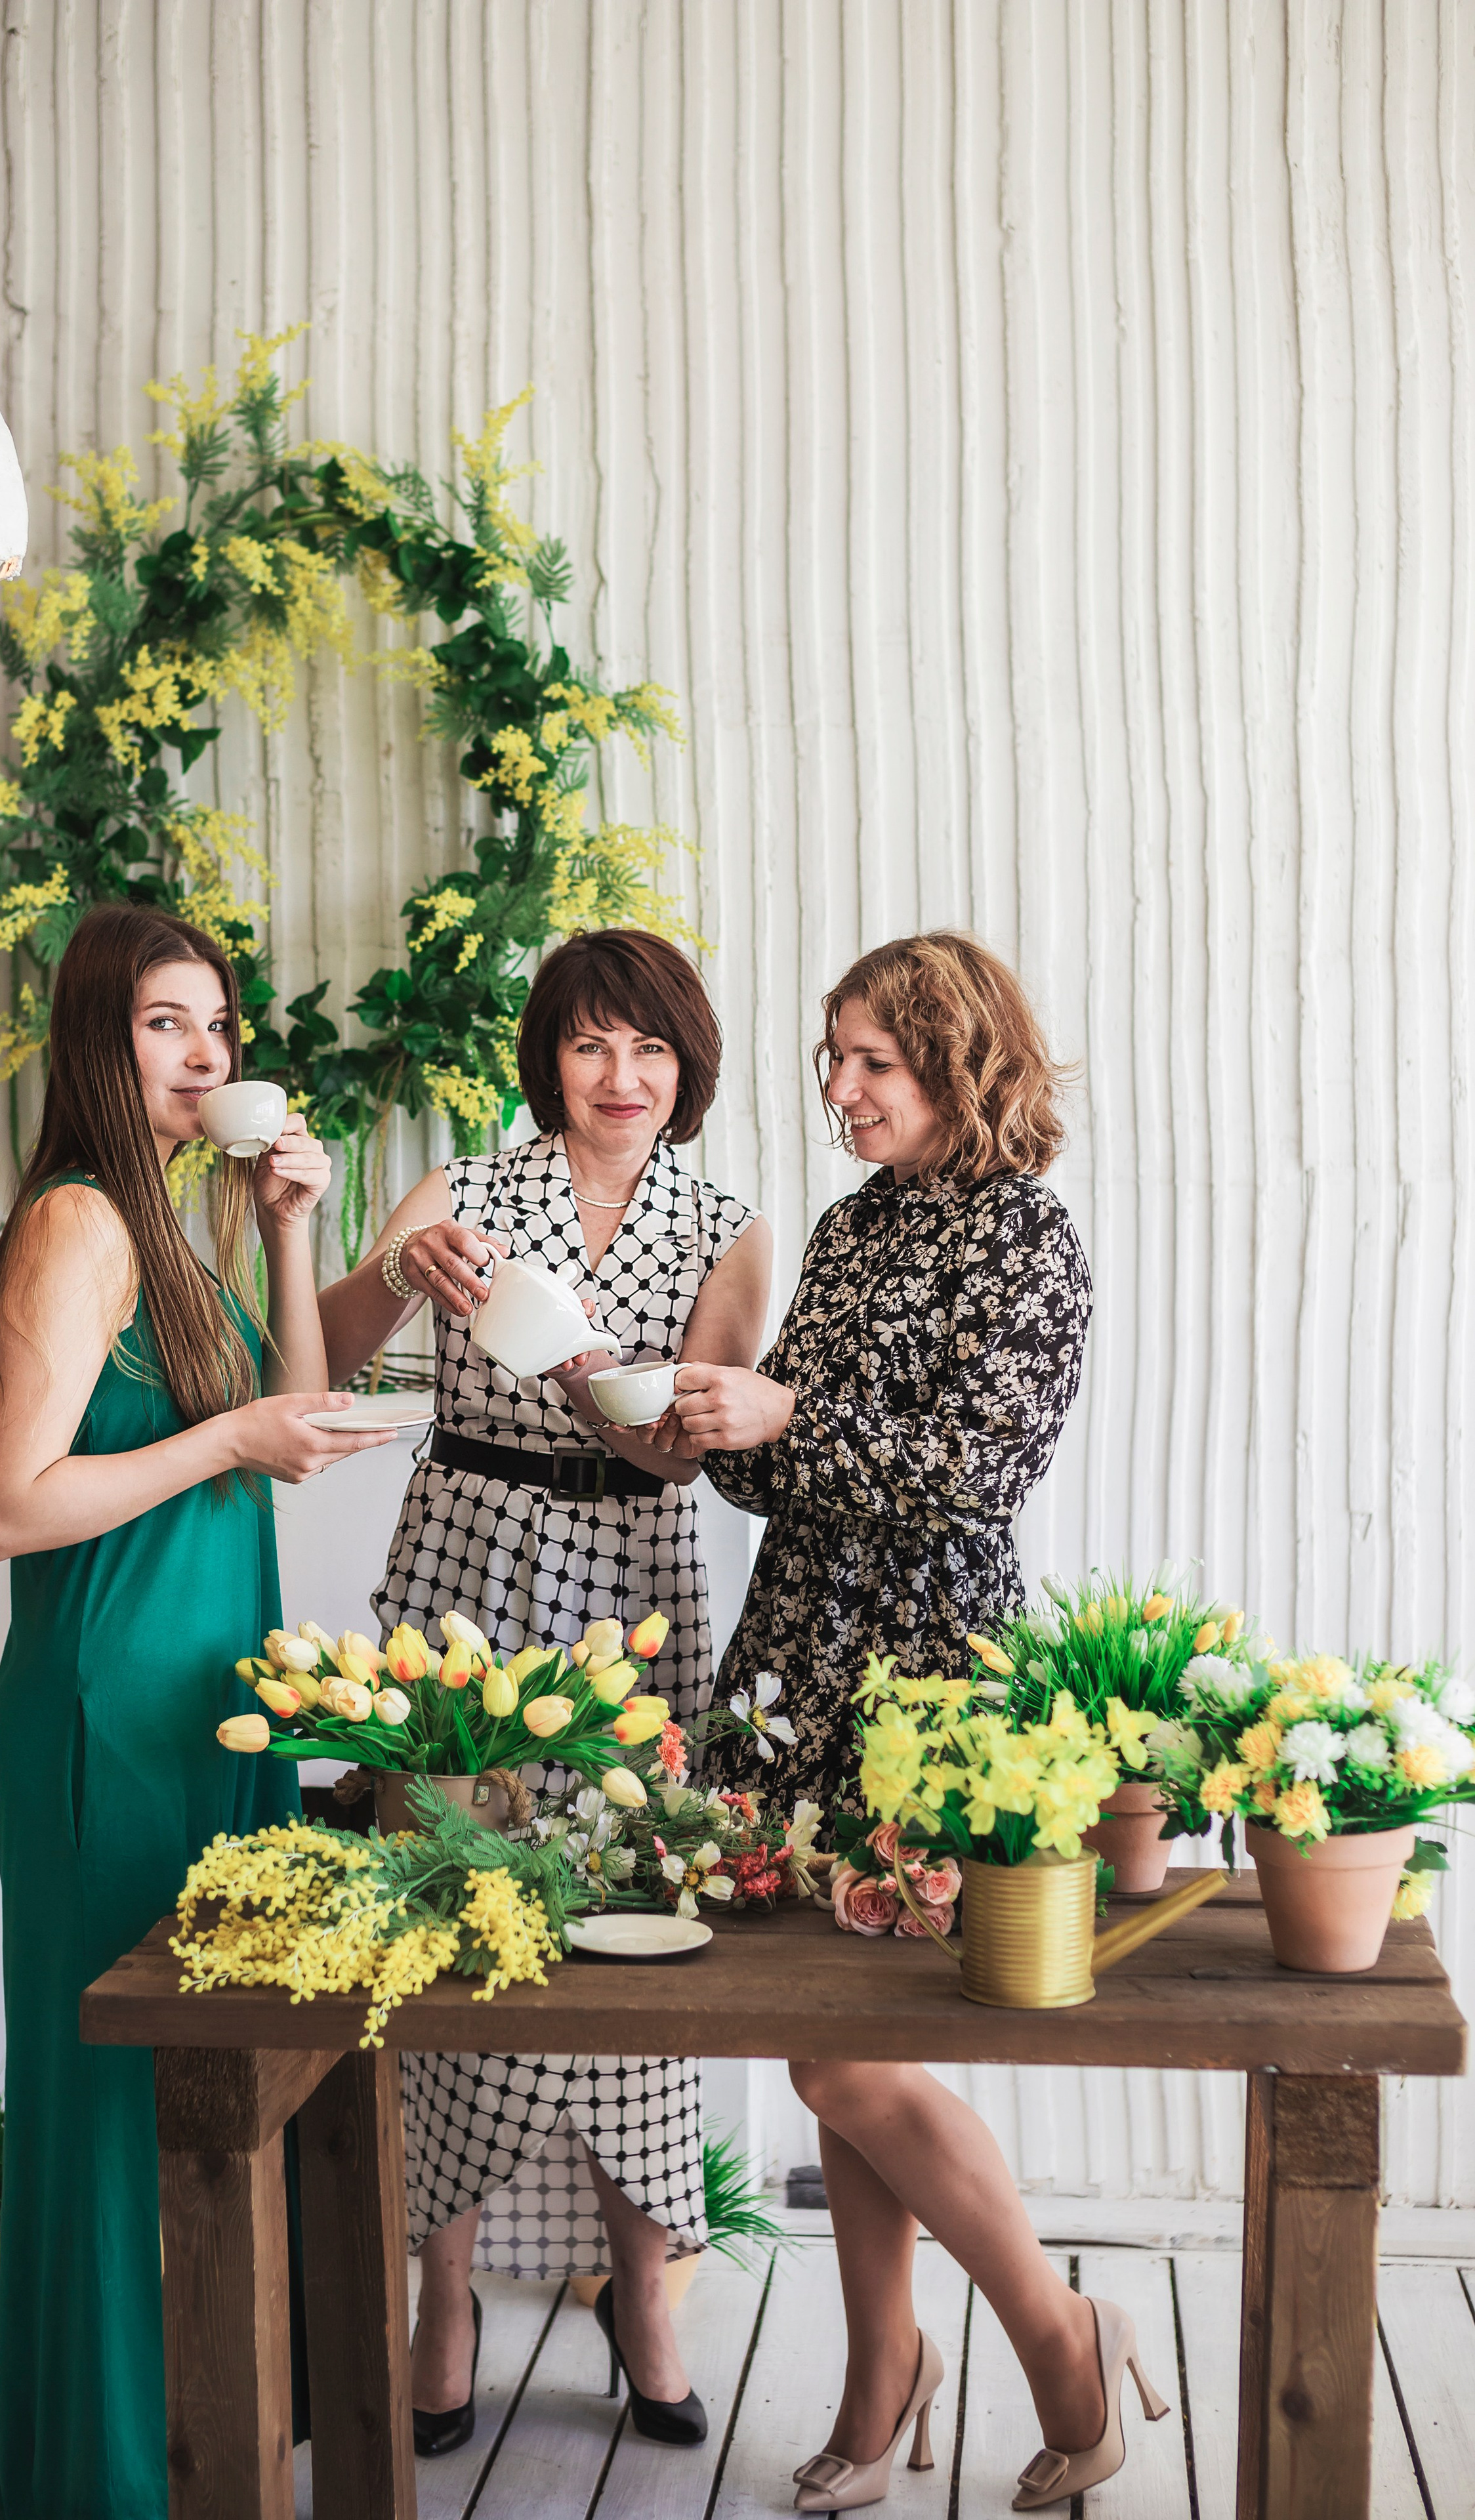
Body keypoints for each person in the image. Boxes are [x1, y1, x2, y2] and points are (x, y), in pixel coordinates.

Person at [665, 934, 1166, 2513]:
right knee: (831, 2041)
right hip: (795, 1657)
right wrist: (720, 1420)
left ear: (960, 1063)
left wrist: (791, 1417)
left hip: (929, 1678)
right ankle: (885, 2368)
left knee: (847, 2059)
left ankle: (1058, 2336)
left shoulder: (1026, 1237)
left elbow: (980, 1473)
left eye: (871, 1060)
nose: (839, 1086)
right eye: (832, 1056)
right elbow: (780, 1472)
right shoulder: (852, 1223)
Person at [0, 904, 396, 2520]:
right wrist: (226, 1444)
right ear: (97, 1038)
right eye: (164, 1022)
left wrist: (289, 1228)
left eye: (217, 1023)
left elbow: (291, 1413)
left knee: (200, 2084)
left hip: (207, 1699)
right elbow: (8, 1508)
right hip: (109, 1713)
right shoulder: (80, 1220)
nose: (206, 1052)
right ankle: (95, 2471)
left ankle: (138, 2440)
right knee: (108, 2108)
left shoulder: (173, 1217)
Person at [319, 927, 770, 2456]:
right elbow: (319, 1356)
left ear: (686, 1066)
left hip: (636, 1583)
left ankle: (643, 2290)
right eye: (589, 1043)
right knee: (449, 1916)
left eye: (649, 1047)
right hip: (463, 1562)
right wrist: (396, 1270)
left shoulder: (725, 1228)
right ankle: (440, 2295)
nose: (619, 1075)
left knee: (639, 1923)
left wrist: (573, 1360)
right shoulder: (462, 1189)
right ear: (547, 1060)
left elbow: (677, 1453)